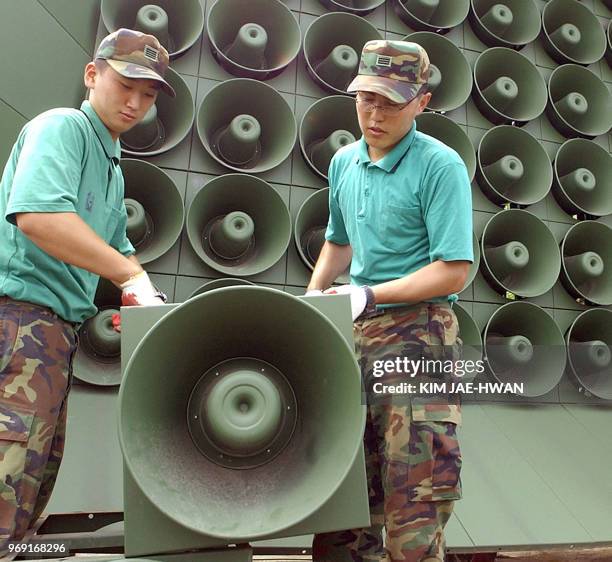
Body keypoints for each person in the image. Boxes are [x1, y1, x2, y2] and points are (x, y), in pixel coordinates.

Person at [0, 28, 174, 552]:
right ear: (92, 75)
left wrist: (148, 296)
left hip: (54, 338)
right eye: (126, 85)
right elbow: (39, 216)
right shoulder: (64, 128)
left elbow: (119, 250)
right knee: (8, 480)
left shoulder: (110, 165)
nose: (136, 103)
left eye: (148, 94)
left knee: (30, 484)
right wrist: (128, 277)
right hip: (20, 323)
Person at [307, 40, 474, 562]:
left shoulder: (439, 167)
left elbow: (454, 269)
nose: (374, 115)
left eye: (391, 103)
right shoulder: (344, 163)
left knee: (412, 494)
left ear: (422, 102)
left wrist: (370, 293)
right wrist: (313, 298)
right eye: (366, 100)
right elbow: (338, 240)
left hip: (418, 335)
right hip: (354, 334)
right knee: (342, 488)